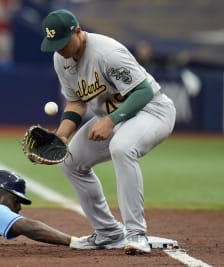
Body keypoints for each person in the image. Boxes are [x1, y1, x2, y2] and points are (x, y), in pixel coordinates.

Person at [39, 9, 176, 255]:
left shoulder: (107, 52)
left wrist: (111, 121)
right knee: (69, 161)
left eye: (63, 42)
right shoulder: (61, 59)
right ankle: (108, 233)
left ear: (78, 31)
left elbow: (143, 92)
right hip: (115, 118)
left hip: (152, 110)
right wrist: (60, 138)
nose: (60, 49)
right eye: (54, 44)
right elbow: (76, 103)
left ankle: (136, 233)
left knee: (122, 147)